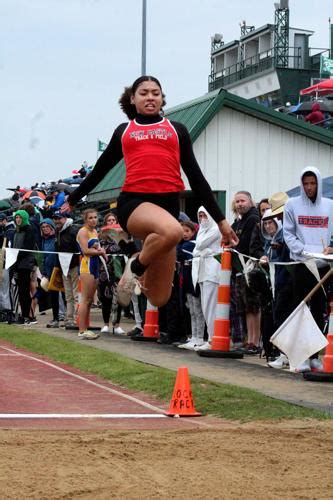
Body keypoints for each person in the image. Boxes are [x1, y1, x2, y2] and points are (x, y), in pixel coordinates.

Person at [63, 75, 238, 309]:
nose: (150, 97)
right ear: (133, 99)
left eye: (155, 93)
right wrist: (73, 198)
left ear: (162, 99)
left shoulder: (177, 131)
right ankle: (135, 266)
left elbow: (196, 178)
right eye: (144, 93)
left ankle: (134, 255)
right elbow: (99, 171)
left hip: (167, 209)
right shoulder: (124, 132)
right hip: (134, 204)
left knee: (159, 297)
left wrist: (222, 222)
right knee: (174, 231)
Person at [283, 166, 333, 372]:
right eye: (306, 183)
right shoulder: (292, 204)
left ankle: (314, 356)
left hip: (323, 265)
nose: (309, 187)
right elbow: (288, 234)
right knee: (300, 309)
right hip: (302, 264)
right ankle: (299, 356)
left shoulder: (330, 205)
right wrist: (304, 251)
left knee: (320, 311)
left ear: (318, 184)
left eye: (313, 183)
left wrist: (331, 247)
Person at [230, 191, 264, 353]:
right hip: (240, 267)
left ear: (251, 201)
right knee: (246, 307)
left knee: (254, 307)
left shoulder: (253, 218)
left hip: (251, 267)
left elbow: (252, 244)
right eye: (237, 202)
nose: (240, 204)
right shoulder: (239, 222)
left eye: (242, 200)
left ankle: (255, 342)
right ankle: (249, 340)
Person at [191, 207, 221, 351]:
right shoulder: (202, 230)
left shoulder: (216, 228)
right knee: (204, 306)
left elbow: (199, 245)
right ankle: (209, 337)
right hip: (202, 270)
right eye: (200, 216)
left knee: (211, 306)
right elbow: (195, 250)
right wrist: (203, 251)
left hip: (212, 271)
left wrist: (204, 250)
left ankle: (212, 338)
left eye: (205, 215)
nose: (202, 218)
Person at [76, 208, 105, 340]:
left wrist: (101, 252)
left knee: (89, 301)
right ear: (85, 219)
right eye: (90, 218)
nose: (94, 220)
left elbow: (96, 248)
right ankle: (82, 330)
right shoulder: (83, 232)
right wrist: (101, 252)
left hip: (95, 265)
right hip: (86, 266)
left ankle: (85, 328)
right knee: (85, 299)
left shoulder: (94, 231)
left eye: (95, 217)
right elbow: (86, 251)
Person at [177, 220, 205, 350]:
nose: (184, 234)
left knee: (198, 310)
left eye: (187, 231)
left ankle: (200, 338)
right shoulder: (183, 244)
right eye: (182, 232)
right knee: (192, 310)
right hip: (186, 280)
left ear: (194, 232)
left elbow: (179, 253)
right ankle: (193, 337)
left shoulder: (190, 245)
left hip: (194, 281)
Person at [98, 212, 126, 335]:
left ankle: (117, 324)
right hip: (104, 271)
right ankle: (105, 324)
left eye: (113, 220)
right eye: (109, 220)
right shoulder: (101, 237)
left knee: (118, 297)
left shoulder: (122, 236)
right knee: (105, 298)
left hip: (119, 270)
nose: (111, 222)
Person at [53, 210, 80, 330]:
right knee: (68, 295)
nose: (57, 221)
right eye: (55, 218)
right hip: (64, 267)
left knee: (76, 294)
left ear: (65, 218)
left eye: (59, 218)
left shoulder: (73, 230)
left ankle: (76, 318)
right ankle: (69, 318)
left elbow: (79, 249)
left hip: (74, 265)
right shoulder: (58, 231)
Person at [11, 209, 37, 325]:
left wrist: (15, 256)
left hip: (26, 264)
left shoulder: (29, 229)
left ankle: (27, 316)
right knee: (21, 291)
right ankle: (25, 315)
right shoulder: (16, 231)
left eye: (20, 217)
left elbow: (27, 248)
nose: (18, 220)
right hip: (17, 264)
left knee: (25, 291)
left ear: (24, 218)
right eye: (16, 218)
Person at [39, 218, 60, 328]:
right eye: (43, 227)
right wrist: (44, 272)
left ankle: (69, 318)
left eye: (47, 226)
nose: (45, 229)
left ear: (52, 227)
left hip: (59, 271)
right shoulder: (44, 240)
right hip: (48, 272)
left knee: (66, 296)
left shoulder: (57, 239)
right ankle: (56, 318)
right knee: (54, 297)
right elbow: (43, 257)